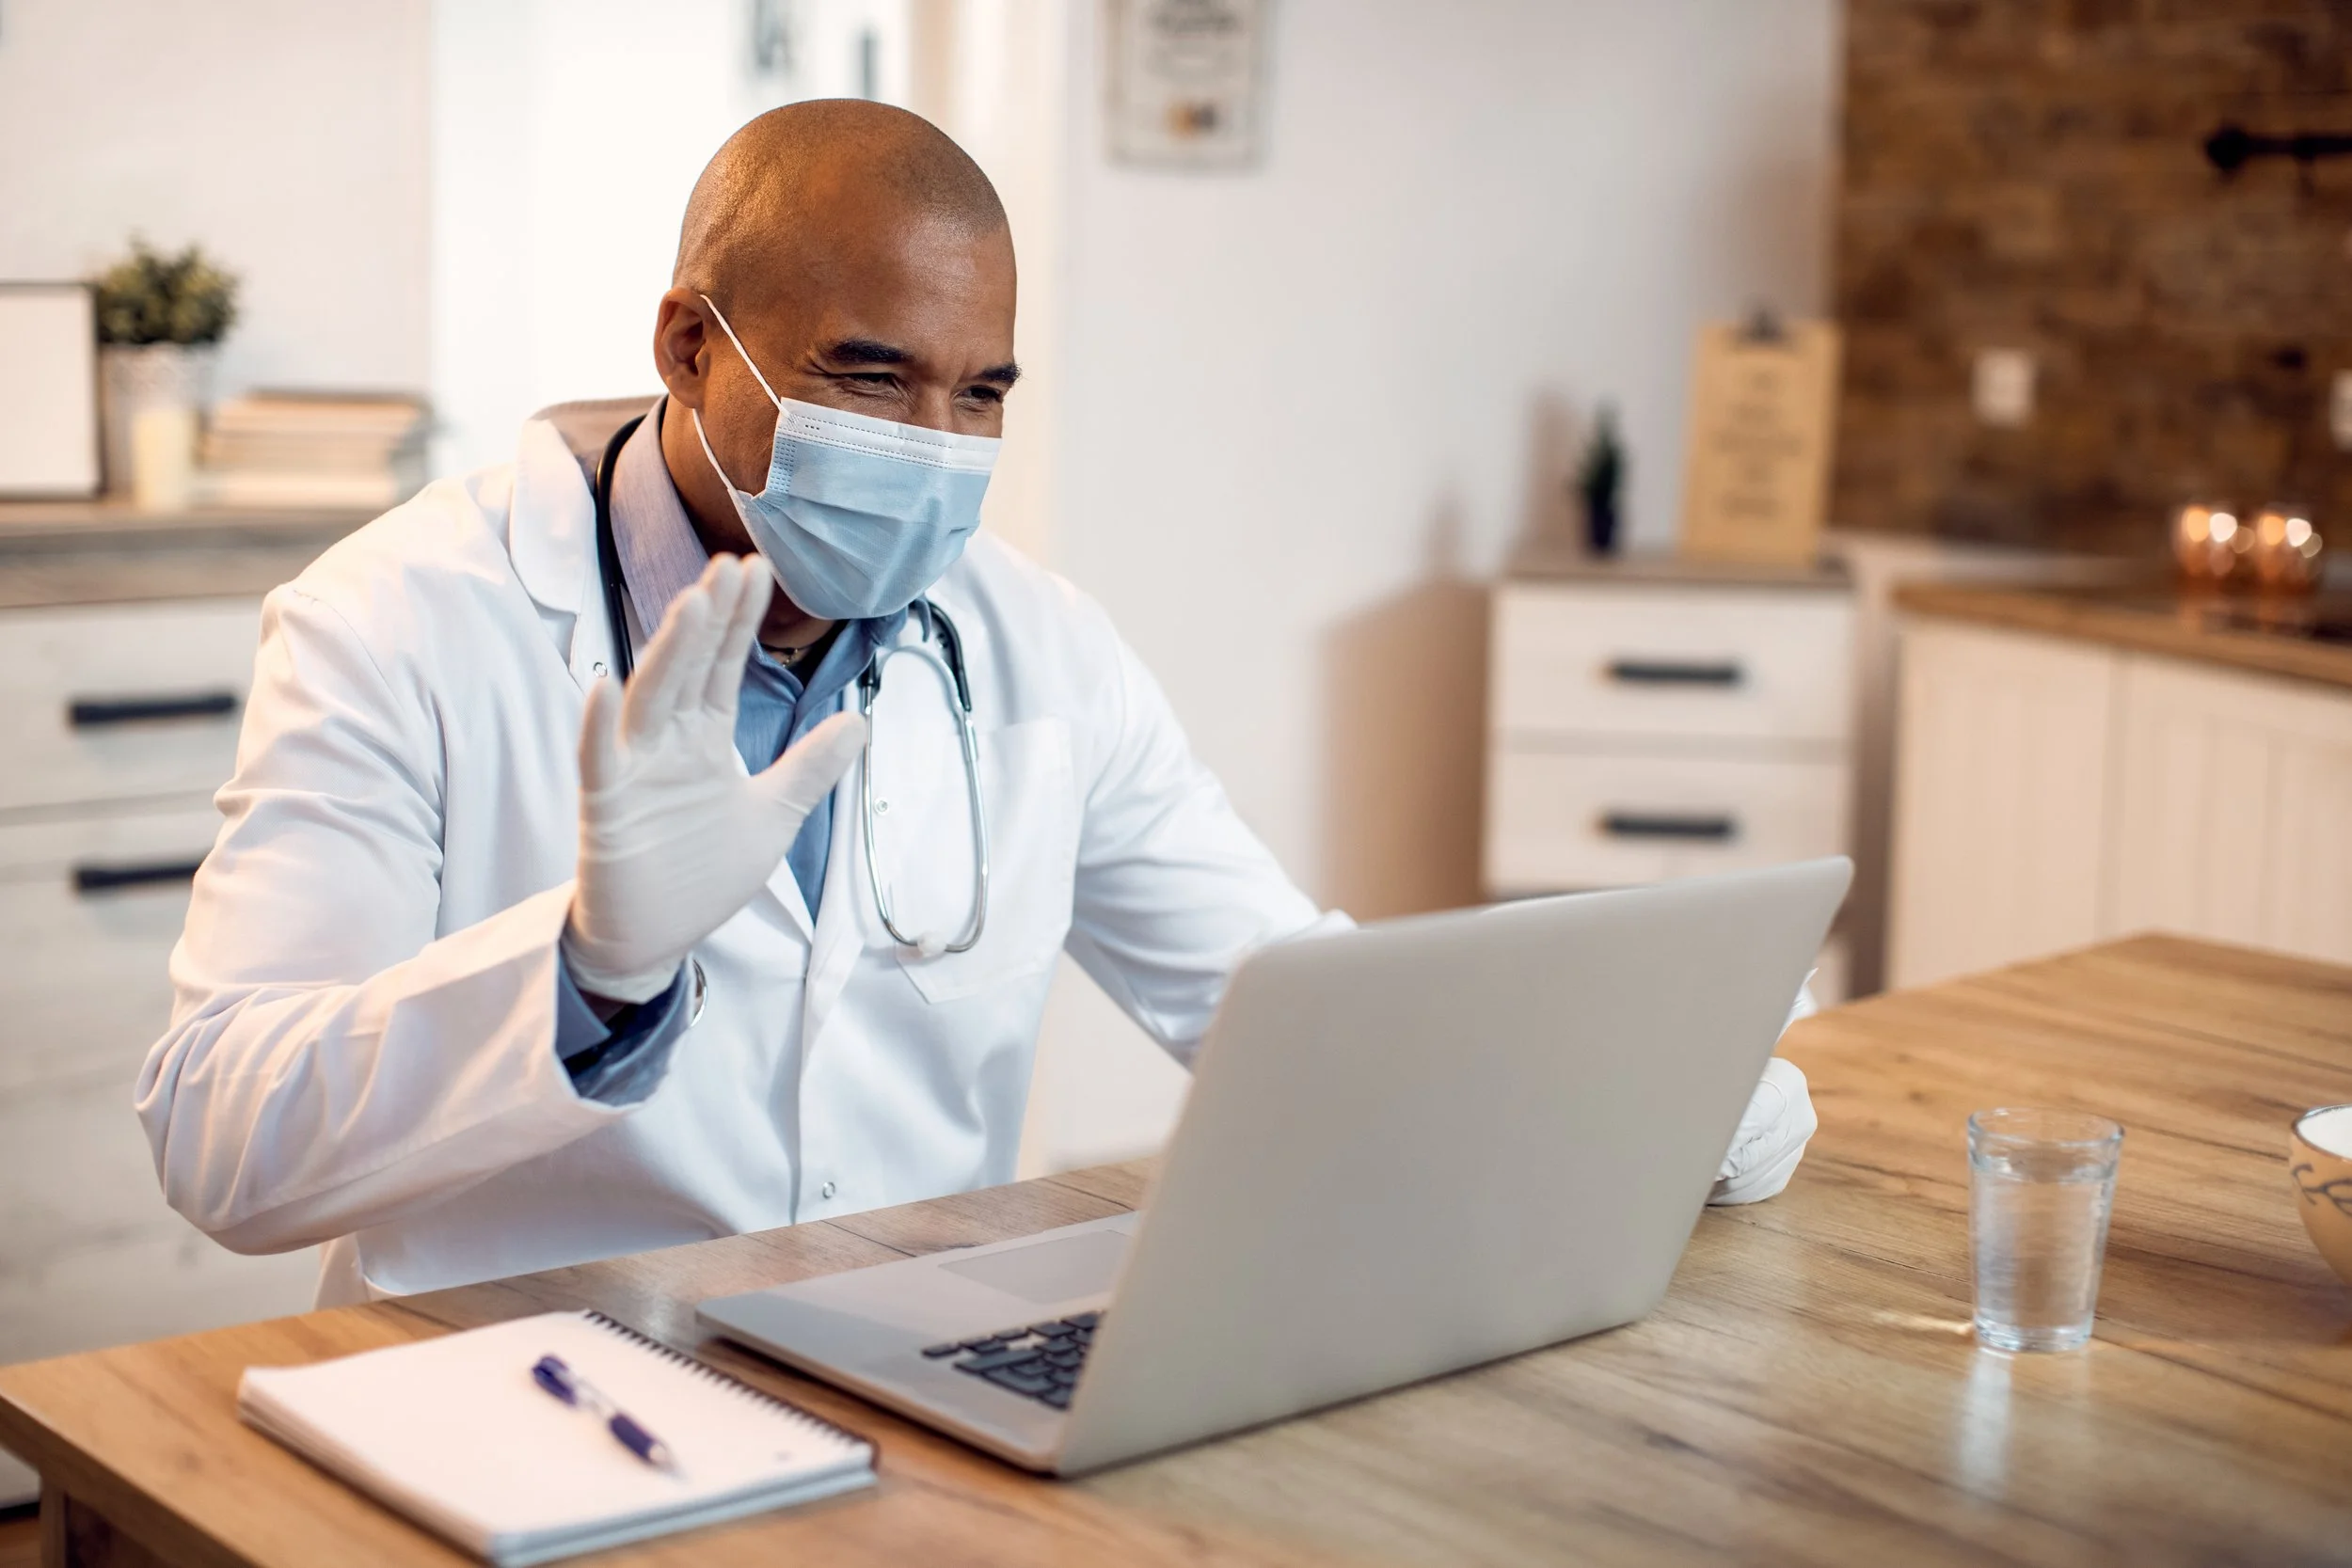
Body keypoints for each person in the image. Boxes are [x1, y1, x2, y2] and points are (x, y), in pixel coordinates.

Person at [136, 102, 1817, 1306]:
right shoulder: (400, 621)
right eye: (870, 373)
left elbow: (1280, 997)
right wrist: (591, 969)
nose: (932, 446)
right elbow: (223, 1139)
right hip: (510, 1407)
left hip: (894, 1397)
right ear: (687, 346)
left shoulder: (1036, 647)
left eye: (981, 392)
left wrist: (1639, 1087)